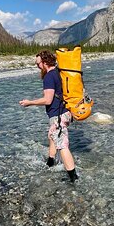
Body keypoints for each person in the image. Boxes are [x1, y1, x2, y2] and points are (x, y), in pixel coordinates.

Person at [19, 50, 78, 183]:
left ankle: (74, 178)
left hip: (58, 115)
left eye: (38, 64)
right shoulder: (58, 72)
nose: (37, 66)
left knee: (62, 146)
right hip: (66, 113)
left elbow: (48, 100)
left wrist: (30, 102)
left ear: (45, 63)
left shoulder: (49, 77)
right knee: (51, 135)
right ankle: (50, 163)